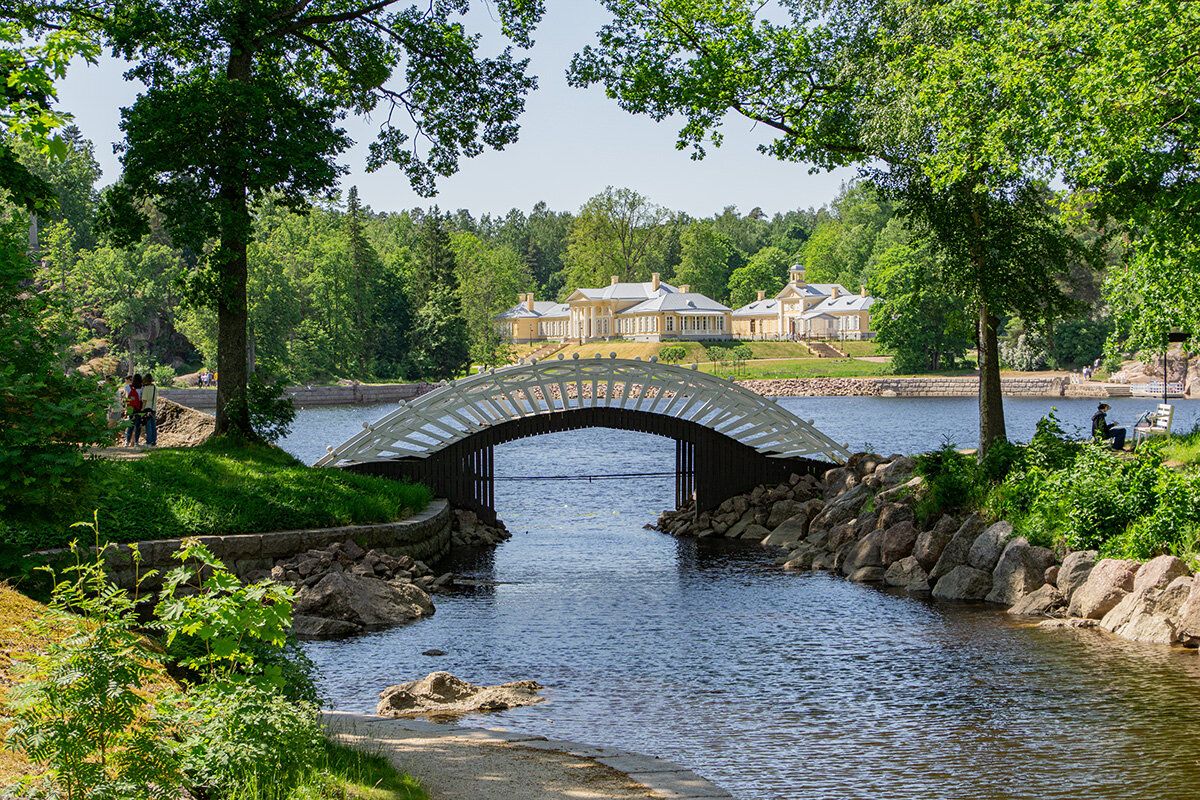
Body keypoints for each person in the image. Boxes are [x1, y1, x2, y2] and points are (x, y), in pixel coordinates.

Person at [125, 374, 144, 446]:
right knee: (137, 425)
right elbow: (142, 398)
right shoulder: (142, 388)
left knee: (130, 425)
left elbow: (127, 398)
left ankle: (127, 441)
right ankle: (136, 442)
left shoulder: (127, 387)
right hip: (138, 408)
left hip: (130, 408)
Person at [141, 373, 158, 446]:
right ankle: (154, 441)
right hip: (153, 408)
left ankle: (148, 441)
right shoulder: (154, 387)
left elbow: (144, 400)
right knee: (153, 425)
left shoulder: (146, 388)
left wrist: (142, 409)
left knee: (148, 426)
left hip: (147, 409)